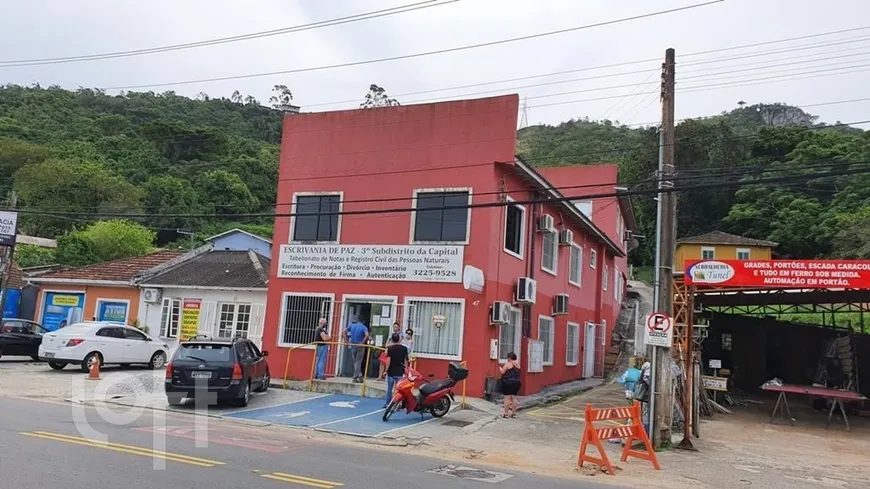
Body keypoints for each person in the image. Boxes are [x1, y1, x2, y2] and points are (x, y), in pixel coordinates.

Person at [383, 333, 409, 408]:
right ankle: (397, 404)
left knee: (389, 389)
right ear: (399, 339)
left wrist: (386, 370)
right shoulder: (404, 349)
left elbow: (388, 361)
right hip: (400, 371)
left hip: (391, 371)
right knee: (399, 390)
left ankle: (388, 404)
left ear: (392, 340)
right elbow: (405, 360)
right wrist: (406, 370)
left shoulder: (390, 349)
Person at [344, 315, 369, 383]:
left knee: (355, 362)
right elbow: (367, 335)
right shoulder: (363, 327)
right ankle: (355, 378)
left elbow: (343, 331)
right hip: (360, 346)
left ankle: (360, 376)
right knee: (358, 362)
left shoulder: (351, 325)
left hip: (353, 345)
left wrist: (346, 342)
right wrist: (362, 342)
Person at [499, 352, 521, 418]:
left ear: (509, 358)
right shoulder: (518, 364)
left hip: (508, 382)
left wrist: (500, 368)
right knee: (514, 398)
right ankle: (513, 414)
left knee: (507, 398)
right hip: (517, 382)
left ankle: (505, 414)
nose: (507, 359)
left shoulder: (508, 364)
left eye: (508, 357)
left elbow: (502, 372)